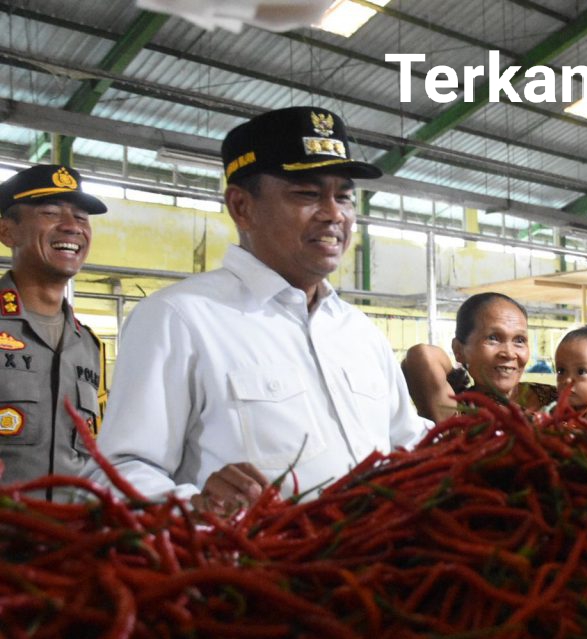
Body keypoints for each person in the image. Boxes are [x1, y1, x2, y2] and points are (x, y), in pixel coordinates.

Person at [88, 106, 430, 516]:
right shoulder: (180, 319)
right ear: (241, 207)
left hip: (371, 567)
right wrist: (193, 506)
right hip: (253, 572)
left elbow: (408, 446)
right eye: (307, 193)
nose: (335, 213)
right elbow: (117, 474)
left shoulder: (360, 334)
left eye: (344, 196)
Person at [0, 164, 106, 495]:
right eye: (50, 212)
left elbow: (97, 455)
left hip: (72, 540)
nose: (72, 227)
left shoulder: (89, 347)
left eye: (82, 218)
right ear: (7, 232)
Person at [402, 292, 556, 422]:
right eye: (493, 338)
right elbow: (422, 355)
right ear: (458, 350)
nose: (509, 353)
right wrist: (456, 379)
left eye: (519, 340)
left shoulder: (553, 397)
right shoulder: (458, 409)